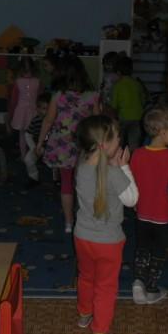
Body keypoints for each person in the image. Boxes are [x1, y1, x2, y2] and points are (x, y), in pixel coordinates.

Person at [73, 115, 138, 334]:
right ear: (106, 144)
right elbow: (132, 199)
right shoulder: (114, 173)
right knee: (105, 287)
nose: (120, 140)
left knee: (86, 277)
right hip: (109, 243)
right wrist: (124, 167)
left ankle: (84, 315)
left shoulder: (81, 166)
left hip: (82, 237)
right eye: (117, 137)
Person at [36, 55, 100, 232]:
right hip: (85, 145)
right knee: (84, 183)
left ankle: (69, 223)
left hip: (63, 146)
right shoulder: (92, 96)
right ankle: (84, 218)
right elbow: (97, 122)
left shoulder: (58, 96)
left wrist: (40, 142)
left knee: (66, 183)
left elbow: (48, 120)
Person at [129, 105, 168, 304]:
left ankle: (138, 281)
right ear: (162, 132)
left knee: (142, 247)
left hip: (142, 212)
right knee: (159, 250)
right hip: (164, 215)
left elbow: (133, 182)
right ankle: (151, 288)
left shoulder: (137, 154)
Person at [7, 56, 40, 160]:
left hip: (21, 111)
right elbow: (40, 98)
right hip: (34, 111)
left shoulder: (18, 82)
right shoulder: (37, 81)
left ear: (20, 69)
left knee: (22, 135)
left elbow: (13, 101)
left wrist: (11, 113)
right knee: (32, 135)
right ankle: (33, 155)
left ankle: (23, 155)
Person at [110, 55, 146, 150]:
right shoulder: (137, 84)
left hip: (123, 118)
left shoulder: (117, 85)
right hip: (137, 117)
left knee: (119, 143)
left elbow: (114, 106)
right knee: (134, 144)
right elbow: (143, 101)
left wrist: (113, 119)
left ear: (118, 72)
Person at [22, 92, 50, 188]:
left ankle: (57, 179)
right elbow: (28, 134)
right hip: (38, 147)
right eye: (42, 108)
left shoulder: (54, 121)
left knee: (57, 162)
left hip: (52, 147)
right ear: (37, 109)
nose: (44, 111)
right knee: (28, 159)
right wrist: (33, 148)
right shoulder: (35, 120)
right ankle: (34, 178)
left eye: (47, 109)